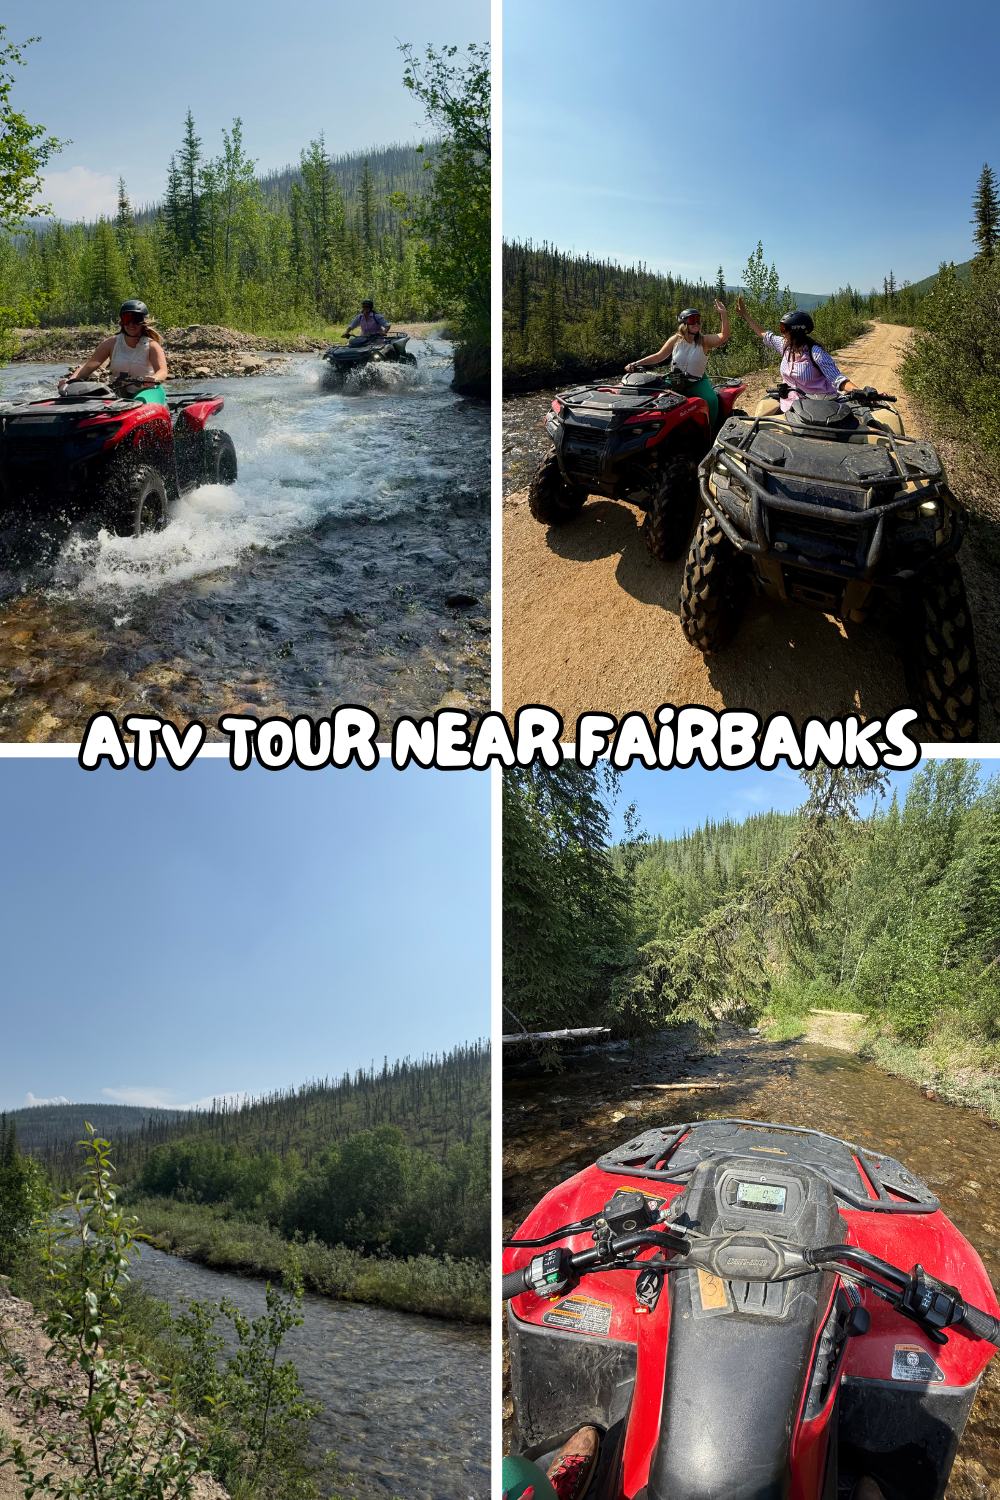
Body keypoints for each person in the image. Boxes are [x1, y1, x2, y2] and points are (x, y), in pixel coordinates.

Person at [735, 298, 863, 419]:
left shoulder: (816, 353)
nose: (782, 333)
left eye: (784, 329)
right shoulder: (785, 346)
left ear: (795, 332)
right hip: (791, 407)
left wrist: (862, 393)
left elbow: (838, 380)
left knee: (859, 429)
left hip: (820, 408)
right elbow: (764, 334)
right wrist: (745, 315)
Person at [625, 302, 731, 430]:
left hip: (696, 381)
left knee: (711, 400)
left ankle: (711, 433)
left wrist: (723, 314)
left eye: (698, 320)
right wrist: (636, 363)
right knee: (656, 403)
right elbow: (659, 356)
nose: (697, 323)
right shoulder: (675, 340)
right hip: (675, 380)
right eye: (693, 320)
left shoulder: (704, 341)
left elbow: (724, 336)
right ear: (684, 323)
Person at [59, 300, 168, 404]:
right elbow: (89, 366)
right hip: (119, 392)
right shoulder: (111, 343)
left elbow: (162, 371)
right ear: (122, 322)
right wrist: (70, 380)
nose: (131, 324)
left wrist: (154, 379)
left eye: (136, 319)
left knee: (140, 402)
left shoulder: (152, 346)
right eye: (127, 319)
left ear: (143, 322)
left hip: (148, 392)